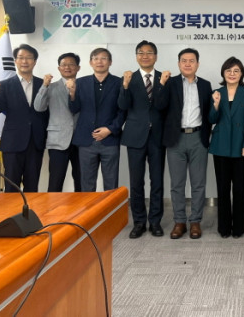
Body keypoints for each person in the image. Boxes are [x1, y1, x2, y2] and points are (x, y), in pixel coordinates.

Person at [154, 48, 212, 240]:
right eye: (184, 60)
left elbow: (209, 113)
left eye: (191, 60)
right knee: (177, 184)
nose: (188, 64)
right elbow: (159, 105)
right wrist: (161, 83)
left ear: (198, 64)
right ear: (179, 63)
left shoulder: (205, 85)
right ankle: (179, 221)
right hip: (175, 139)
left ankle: (195, 221)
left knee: (198, 183)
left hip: (198, 137)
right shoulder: (169, 83)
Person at [118, 41, 166, 238]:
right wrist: (125, 86)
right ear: (136, 56)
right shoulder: (129, 78)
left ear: (156, 56)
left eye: (149, 52)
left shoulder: (164, 78)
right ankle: (139, 222)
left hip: (157, 137)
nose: (145, 56)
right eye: (141, 52)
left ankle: (155, 221)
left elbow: (164, 106)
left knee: (157, 181)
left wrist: (162, 85)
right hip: (135, 136)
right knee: (136, 182)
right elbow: (122, 105)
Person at [0, 44, 48, 192]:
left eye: (29, 58)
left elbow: (47, 113)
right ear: (15, 61)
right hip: (12, 142)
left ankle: (30, 209)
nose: (24, 61)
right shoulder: (4, 85)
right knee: (11, 185)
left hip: (35, 141)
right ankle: (11, 209)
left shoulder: (44, 84)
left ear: (35, 61)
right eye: (21, 58)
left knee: (32, 185)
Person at [209, 57, 244, 238]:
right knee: (222, 189)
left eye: (236, 71)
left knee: (240, 189)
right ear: (223, 73)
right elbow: (211, 119)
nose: (232, 74)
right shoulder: (216, 93)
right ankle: (224, 228)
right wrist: (215, 104)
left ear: (241, 74)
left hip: (240, 147)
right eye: (229, 70)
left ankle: (238, 228)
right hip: (220, 146)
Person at [68, 48, 125, 192]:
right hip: (86, 140)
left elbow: (123, 110)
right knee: (87, 184)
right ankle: (90, 208)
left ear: (110, 62)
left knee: (111, 184)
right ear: (90, 62)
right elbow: (74, 109)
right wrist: (72, 94)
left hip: (110, 140)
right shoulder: (80, 82)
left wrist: (110, 129)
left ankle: (111, 208)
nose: (99, 61)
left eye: (104, 58)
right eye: (96, 58)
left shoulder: (119, 83)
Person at [33, 53, 82, 192]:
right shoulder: (51, 87)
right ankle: (53, 206)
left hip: (81, 140)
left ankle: (84, 206)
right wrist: (44, 86)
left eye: (71, 64)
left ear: (78, 67)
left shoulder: (84, 86)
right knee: (55, 181)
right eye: (64, 65)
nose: (67, 67)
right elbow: (38, 107)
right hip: (57, 140)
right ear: (59, 68)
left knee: (81, 180)